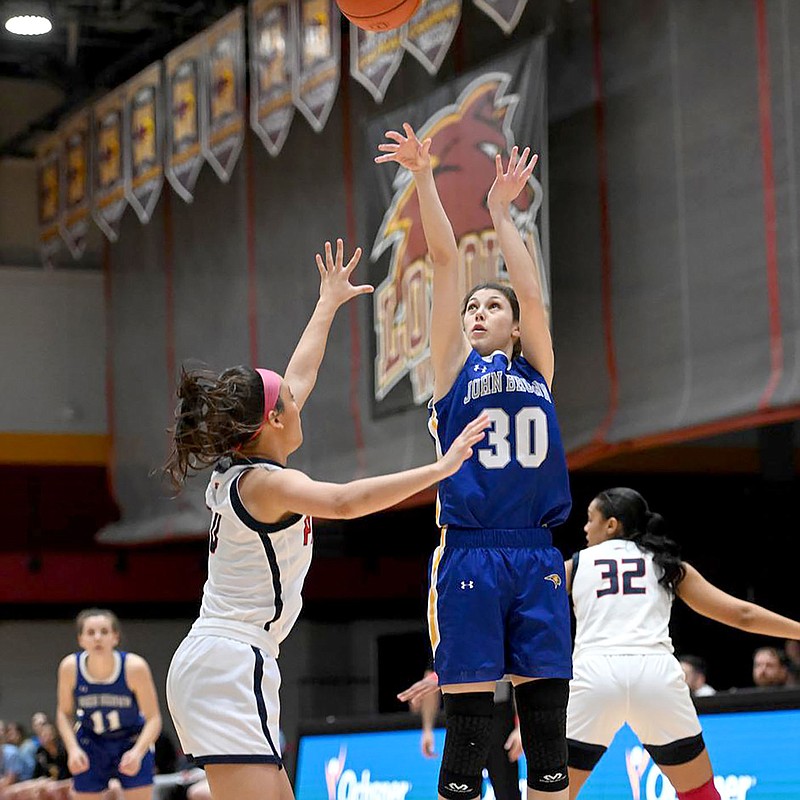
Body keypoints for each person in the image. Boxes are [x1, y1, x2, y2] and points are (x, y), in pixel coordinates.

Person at [163, 238, 490, 800]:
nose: (299, 397)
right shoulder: (268, 483)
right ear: (271, 419)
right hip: (228, 660)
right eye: (289, 398)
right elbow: (343, 503)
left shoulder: (251, 463)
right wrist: (442, 468)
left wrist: (328, 301)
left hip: (226, 659)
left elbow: (301, 371)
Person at [376, 127, 572, 799]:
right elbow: (445, 261)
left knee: (547, 736)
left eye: (493, 306)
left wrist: (501, 213)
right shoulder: (451, 371)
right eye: (472, 308)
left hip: (538, 551)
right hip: (468, 552)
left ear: (515, 326)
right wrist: (425, 177)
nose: (479, 311)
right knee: (468, 729)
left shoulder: (538, 371)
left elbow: (533, 294)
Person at [565, 487, 800, 800]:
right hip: (655, 675)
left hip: (593, 676)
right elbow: (742, 614)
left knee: (553, 794)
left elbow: (524, 610)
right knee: (700, 793)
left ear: (611, 524)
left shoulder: (575, 565)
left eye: (590, 519)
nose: (584, 527)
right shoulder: (667, 564)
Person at [56, 608, 162, 800]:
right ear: (80, 639)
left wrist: (138, 752)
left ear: (115, 637)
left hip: (130, 740)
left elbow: (154, 718)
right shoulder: (69, 667)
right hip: (91, 742)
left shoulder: (134, 667)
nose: (97, 638)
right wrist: (72, 749)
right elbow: (64, 713)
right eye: (90, 632)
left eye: (104, 632)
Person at [399, 669, 522, 800]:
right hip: (463, 719)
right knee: (461, 790)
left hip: (500, 720)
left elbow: (518, 674)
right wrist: (427, 729)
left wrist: (520, 727)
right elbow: (432, 673)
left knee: (507, 791)